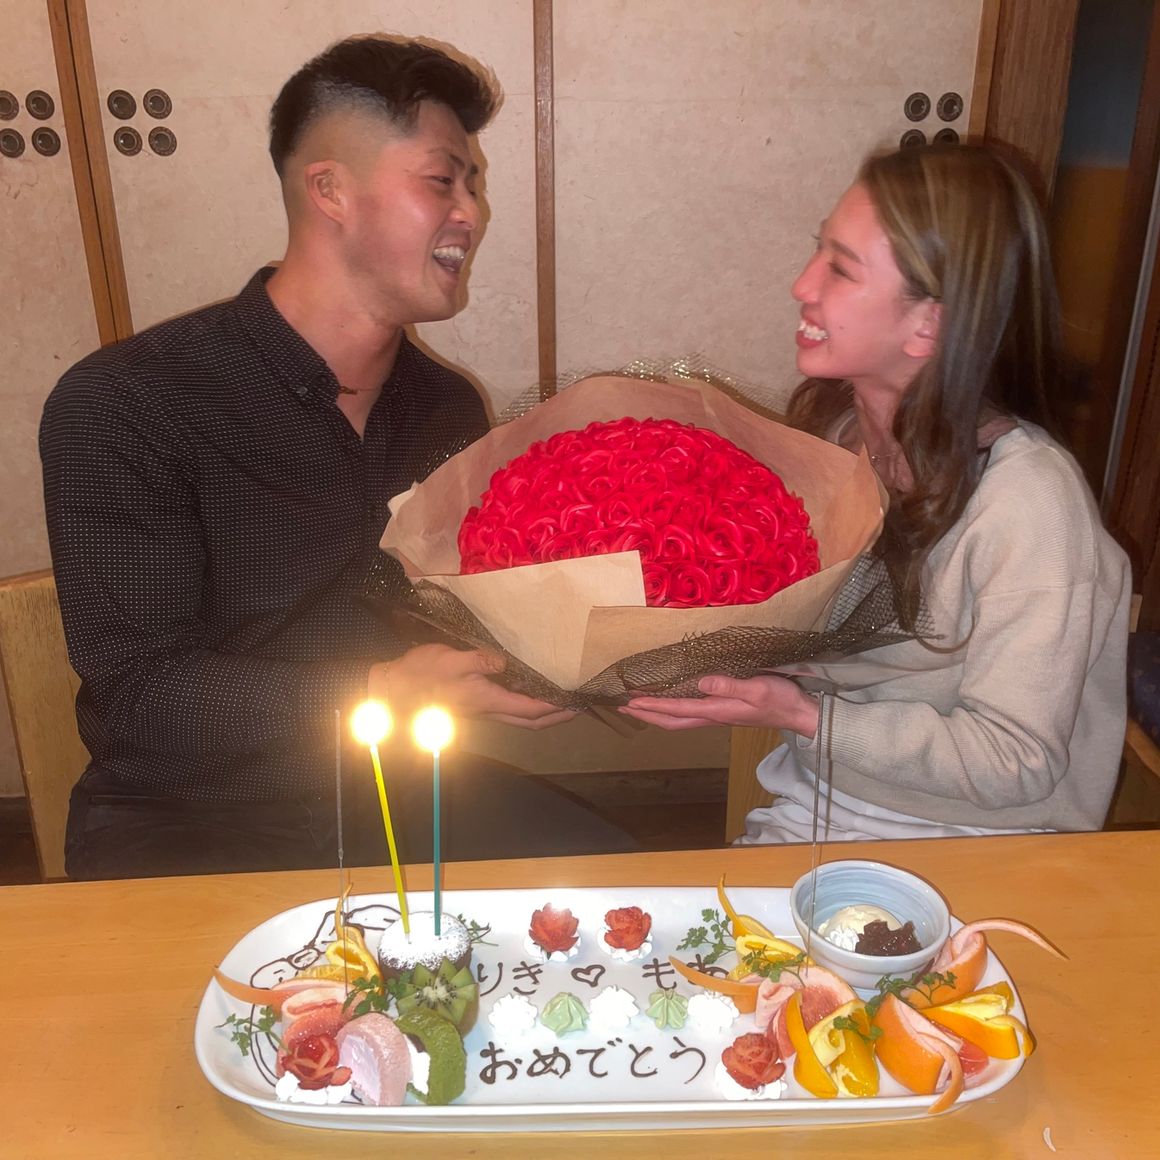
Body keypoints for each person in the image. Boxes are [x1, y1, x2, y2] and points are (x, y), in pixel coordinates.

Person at [40, 35, 636, 879]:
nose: (472, 212)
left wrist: (596, 640)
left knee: (627, 897)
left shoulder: (444, 407)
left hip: (398, 784)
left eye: (474, 184)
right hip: (185, 813)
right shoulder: (130, 402)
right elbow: (141, 693)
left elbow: (452, 609)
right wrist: (378, 690)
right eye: (443, 181)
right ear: (331, 191)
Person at [622, 143, 1131, 840]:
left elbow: (1016, 760)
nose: (802, 284)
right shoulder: (836, 436)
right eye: (818, 251)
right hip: (819, 794)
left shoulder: (1030, 505)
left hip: (981, 841)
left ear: (929, 324)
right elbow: (795, 622)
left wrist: (801, 714)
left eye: (840, 268)